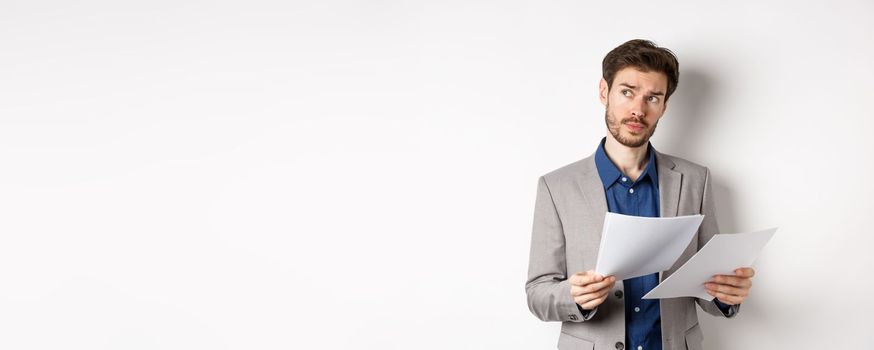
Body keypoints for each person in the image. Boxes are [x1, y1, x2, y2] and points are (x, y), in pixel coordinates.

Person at [524, 39, 755, 350]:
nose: (638, 109)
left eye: (653, 97)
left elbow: (709, 286)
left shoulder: (696, 179)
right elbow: (538, 293)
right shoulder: (557, 186)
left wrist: (726, 295)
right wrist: (573, 296)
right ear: (604, 91)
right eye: (627, 92)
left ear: (664, 106)